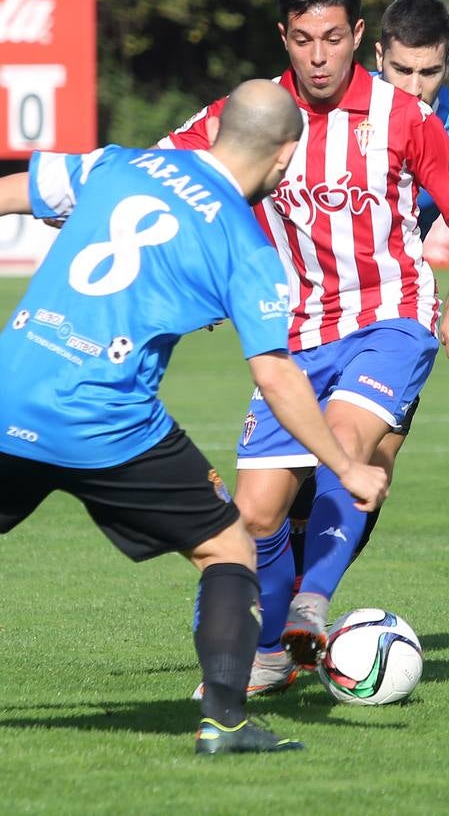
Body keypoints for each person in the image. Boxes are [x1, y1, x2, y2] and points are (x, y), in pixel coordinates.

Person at [0, 78, 388, 756]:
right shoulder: (245, 243)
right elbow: (275, 374)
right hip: (106, 420)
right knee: (227, 548)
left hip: (13, 388)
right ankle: (226, 723)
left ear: (215, 130)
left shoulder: (122, 163)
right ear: (286, 155)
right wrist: (346, 464)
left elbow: (15, 191)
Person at [157, 0, 449, 697]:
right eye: (303, 39)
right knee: (256, 512)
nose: (318, 56)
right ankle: (273, 652)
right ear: (285, 37)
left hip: (390, 318)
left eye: (333, 38)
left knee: (344, 447)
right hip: (294, 333)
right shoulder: (251, 112)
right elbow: (161, 171)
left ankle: (312, 603)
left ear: (357, 37)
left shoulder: (405, 118)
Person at [288, 0, 449, 610]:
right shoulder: (335, 103)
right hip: (314, 309)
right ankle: (276, 591)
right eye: (401, 71)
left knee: (373, 460)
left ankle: (305, 604)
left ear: (448, 61)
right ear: (376, 55)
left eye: (431, 72)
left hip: (396, 311)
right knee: (293, 474)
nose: (416, 88)